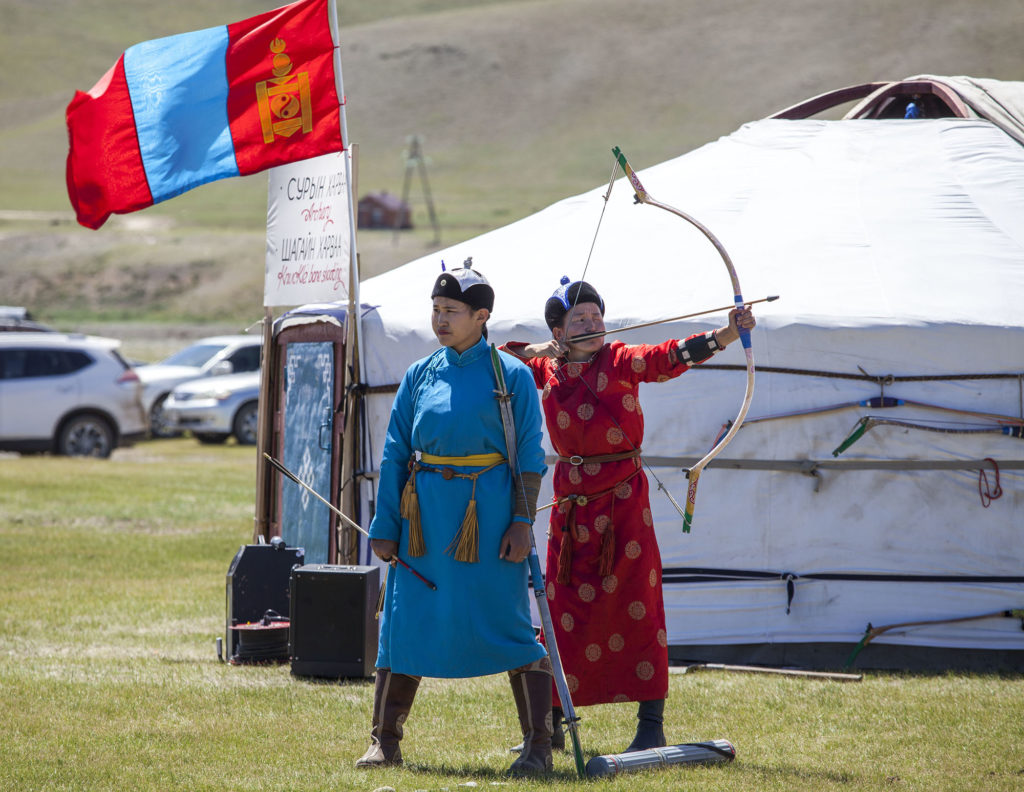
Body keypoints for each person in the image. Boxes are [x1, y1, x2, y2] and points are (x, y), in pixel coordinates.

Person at [501, 277, 756, 753]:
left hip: (623, 504)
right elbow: (497, 365)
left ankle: (651, 726)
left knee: (640, 603)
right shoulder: (545, 368)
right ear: (558, 329)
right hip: (571, 508)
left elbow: (667, 357)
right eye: (579, 319)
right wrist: (536, 349)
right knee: (559, 608)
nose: (592, 324)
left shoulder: (619, 359)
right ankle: (552, 726)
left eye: (596, 316)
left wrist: (724, 335)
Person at [356, 261, 553, 776]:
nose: (440, 320)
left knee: (507, 624)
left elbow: (530, 457)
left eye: (451, 311)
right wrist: (385, 525)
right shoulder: (420, 375)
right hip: (423, 522)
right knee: (402, 624)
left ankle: (537, 747)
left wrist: (520, 521)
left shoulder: (512, 378)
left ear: (481, 316)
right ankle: (384, 742)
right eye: (436, 310)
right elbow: (396, 451)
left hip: (487, 524)